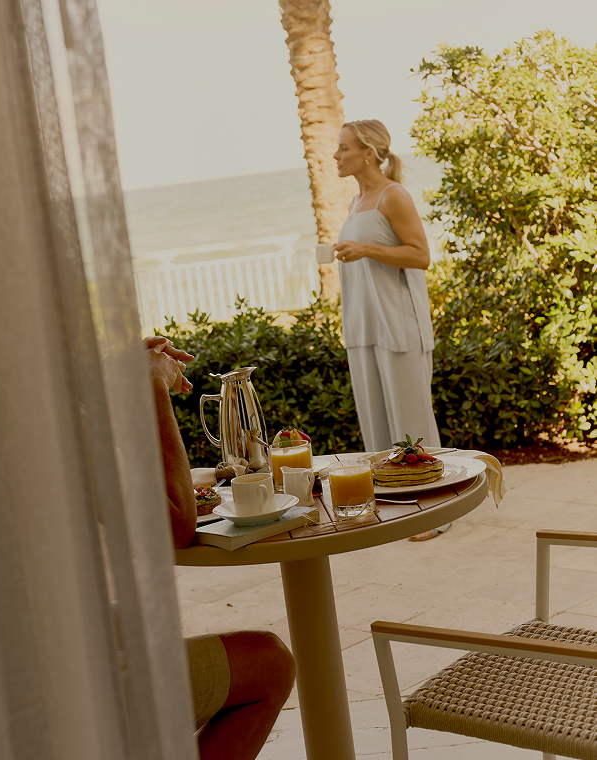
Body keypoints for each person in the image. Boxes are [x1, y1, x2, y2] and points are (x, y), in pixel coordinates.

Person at [140, 336, 296, 759]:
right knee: (269, 662)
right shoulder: (47, 418)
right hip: (44, 688)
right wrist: (153, 387)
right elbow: (176, 526)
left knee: (146, 616)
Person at [333, 119, 448, 541]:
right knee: (377, 424)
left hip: (399, 324)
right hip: (364, 327)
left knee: (410, 420)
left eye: (343, 148)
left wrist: (365, 249)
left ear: (367, 152)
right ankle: (398, 507)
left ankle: (434, 512)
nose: (336, 156)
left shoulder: (392, 195)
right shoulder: (356, 201)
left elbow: (420, 255)